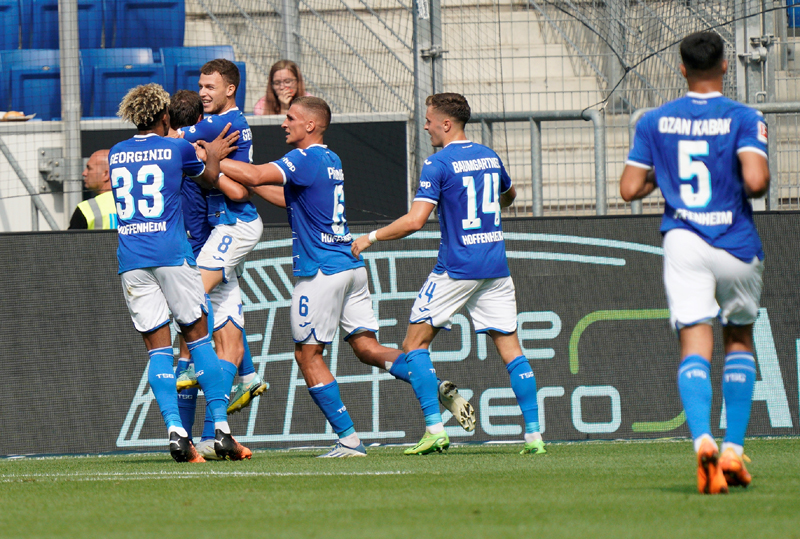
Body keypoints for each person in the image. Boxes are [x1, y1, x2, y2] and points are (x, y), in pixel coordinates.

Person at [205, 96, 475, 457]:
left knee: (307, 355)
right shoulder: (330, 159)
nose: (284, 124)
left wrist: (212, 158)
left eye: (291, 118)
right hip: (350, 266)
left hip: (321, 272)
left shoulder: (305, 157)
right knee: (366, 348)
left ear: (310, 126)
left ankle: (348, 440)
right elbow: (288, 198)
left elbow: (253, 173)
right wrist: (251, 185)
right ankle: (429, 382)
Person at [351, 92, 546, 457]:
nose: (425, 126)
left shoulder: (438, 163)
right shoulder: (489, 155)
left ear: (446, 123)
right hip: (495, 267)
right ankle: (534, 436)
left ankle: (435, 429)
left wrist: (370, 237)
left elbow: (414, 221)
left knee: (413, 346)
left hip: (457, 268)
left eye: (428, 120)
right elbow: (509, 194)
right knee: (512, 350)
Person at [620, 31, 769, 494]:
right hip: (736, 243)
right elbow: (757, 181)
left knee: (694, 344)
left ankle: (702, 438)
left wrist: (663, 181)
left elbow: (629, 189)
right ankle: (732, 449)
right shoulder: (746, 116)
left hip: (684, 240)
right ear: (725, 66)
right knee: (739, 339)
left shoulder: (655, 121)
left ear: (681, 69)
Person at [110, 83, 245, 462]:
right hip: (173, 254)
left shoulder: (117, 154)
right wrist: (214, 154)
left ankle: (175, 431)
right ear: (165, 116)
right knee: (200, 340)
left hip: (132, 260)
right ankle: (221, 430)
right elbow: (207, 177)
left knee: (157, 351)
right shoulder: (177, 148)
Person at [175, 61, 266, 461]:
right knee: (225, 321)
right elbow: (224, 179)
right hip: (223, 226)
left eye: (210, 86)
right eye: (200, 85)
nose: (203, 92)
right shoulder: (220, 123)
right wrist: (209, 162)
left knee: (192, 295)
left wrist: (202, 154)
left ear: (230, 89)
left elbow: (176, 138)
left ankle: (190, 366)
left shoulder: (218, 124)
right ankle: (239, 388)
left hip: (232, 226)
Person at [68, 149, 118, 230]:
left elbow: (70, 241)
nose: (84, 173)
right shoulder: (140, 205)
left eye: (89, 168)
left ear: (106, 174)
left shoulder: (87, 209)